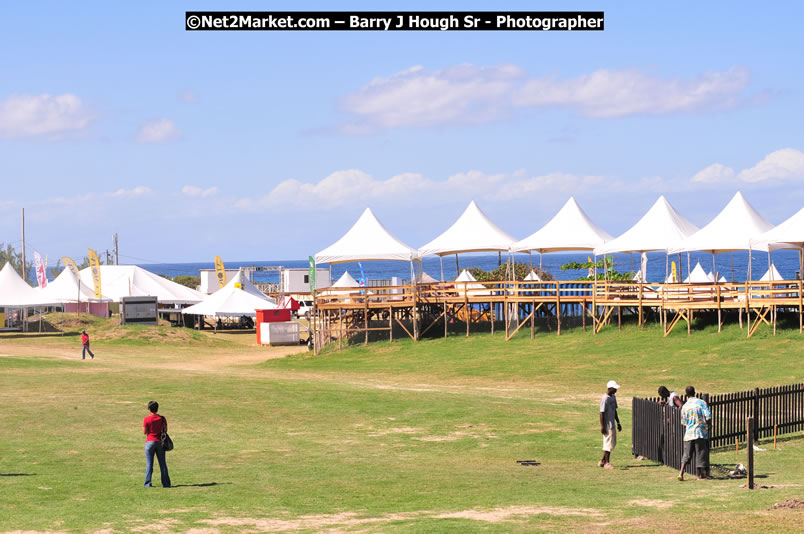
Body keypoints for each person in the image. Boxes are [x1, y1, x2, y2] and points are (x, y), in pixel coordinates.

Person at [678, 386, 712, 481]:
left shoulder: (685, 406)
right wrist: (709, 425)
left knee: (686, 454)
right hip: (700, 432)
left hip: (689, 433)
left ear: (686, 395)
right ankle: (699, 475)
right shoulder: (701, 403)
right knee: (700, 453)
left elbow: (684, 422)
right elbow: (708, 415)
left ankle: (681, 473)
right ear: (695, 393)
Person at [143, 400, 171, 488]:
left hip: (150, 442)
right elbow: (165, 429)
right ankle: (166, 484)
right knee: (162, 464)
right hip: (160, 442)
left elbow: (145, 432)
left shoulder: (147, 419)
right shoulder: (162, 418)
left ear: (149, 409)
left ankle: (147, 483)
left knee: (149, 464)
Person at [599, 380, 622, 470]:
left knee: (612, 443)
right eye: (615, 388)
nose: (616, 390)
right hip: (607, 425)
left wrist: (618, 422)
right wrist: (602, 426)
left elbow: (614, 410)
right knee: (608, 444)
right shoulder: (605, 399)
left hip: (612, 424)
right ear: (610, 388)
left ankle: (603, 461)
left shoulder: (613, 397)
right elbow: (601, 413)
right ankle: (607, 463)